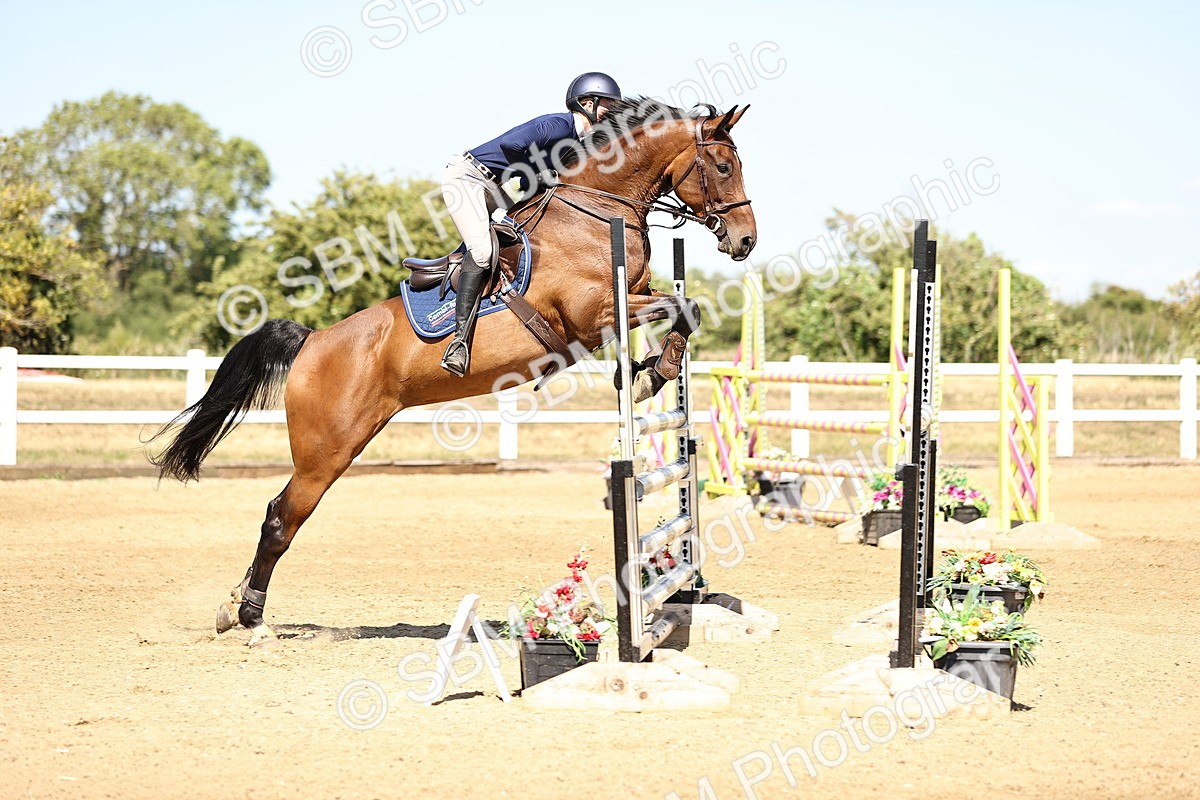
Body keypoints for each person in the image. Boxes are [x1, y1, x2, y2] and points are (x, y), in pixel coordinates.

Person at [438, 71, 622, 377]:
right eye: (608, 105)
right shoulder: (556, 125)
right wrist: (545, 171)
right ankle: (458, 342)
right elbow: (513, 147)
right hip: (470, 180)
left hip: (499, 186)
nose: (612, 112)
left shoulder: (580, 141)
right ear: (586, 103)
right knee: (483, 253)